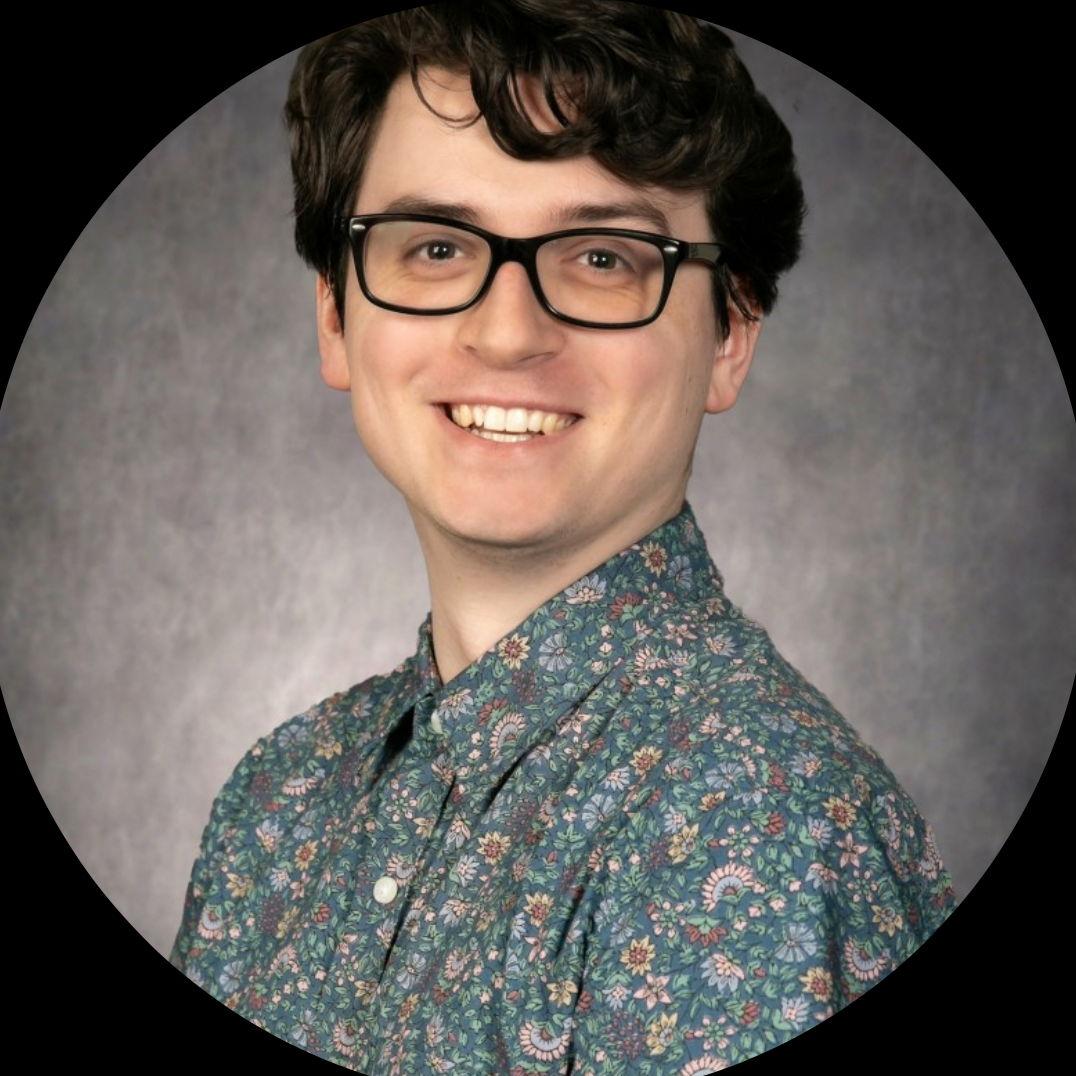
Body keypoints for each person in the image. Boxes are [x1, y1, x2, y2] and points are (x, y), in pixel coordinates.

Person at [170, 3, 958, 1072]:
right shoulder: (280, 801)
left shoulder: (754, 821)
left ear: (729, 332)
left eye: (599, 256)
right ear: (335, 316)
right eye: (436, 246)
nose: (506, 332)